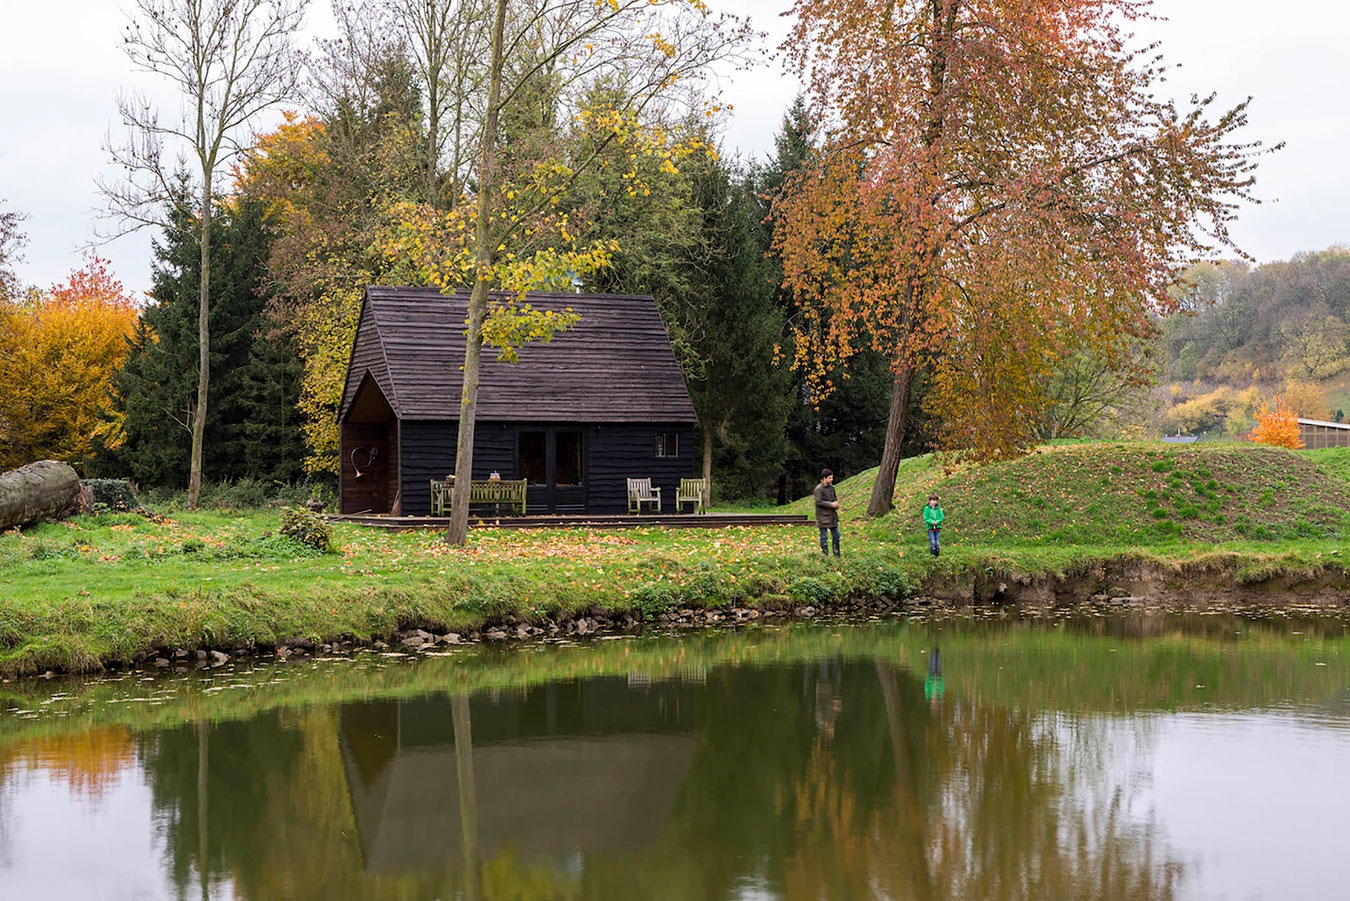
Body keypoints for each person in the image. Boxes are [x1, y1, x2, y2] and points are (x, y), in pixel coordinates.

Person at [813, 469, 841, 556]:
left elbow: (834, 499)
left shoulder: (832, 488)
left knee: (836, 536)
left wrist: (836, 504)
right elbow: (818, 502)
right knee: (823, 537)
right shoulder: (818, 489)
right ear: (824, 478)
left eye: (832, 477)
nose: (832, 479)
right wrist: (831, 505)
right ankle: (825, 555)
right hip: (822, 517)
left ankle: (837, 555)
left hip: (832, 517)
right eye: (830, 478)